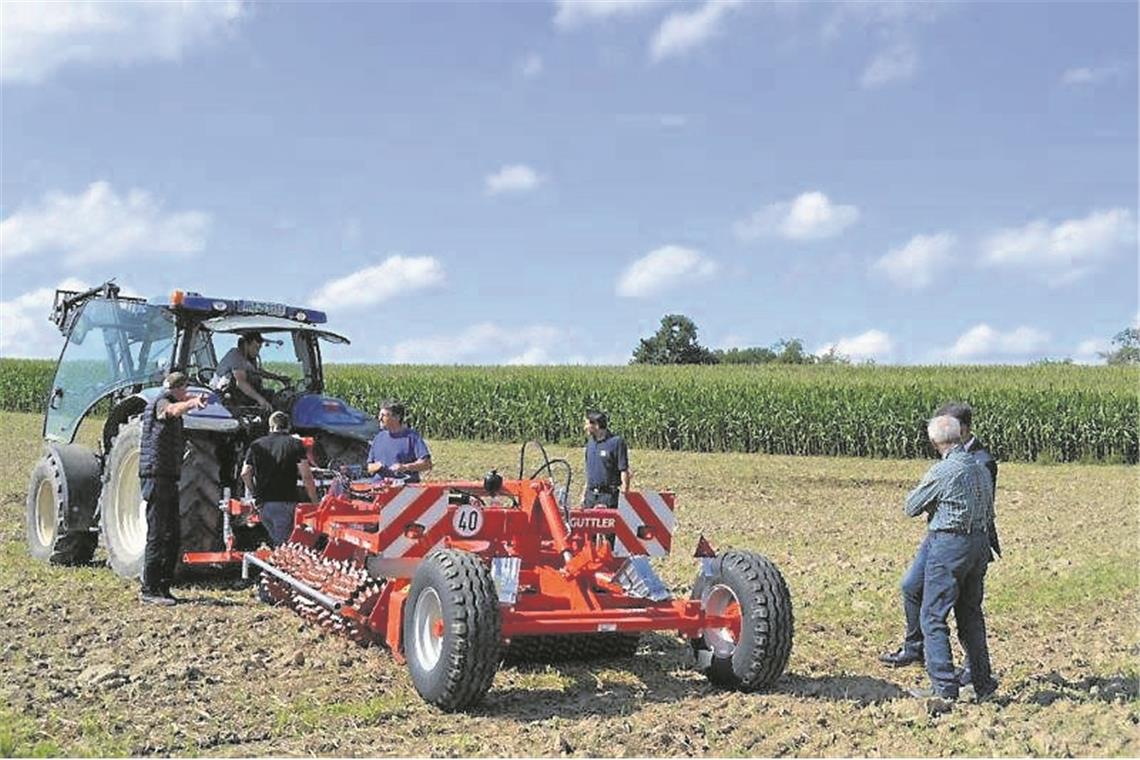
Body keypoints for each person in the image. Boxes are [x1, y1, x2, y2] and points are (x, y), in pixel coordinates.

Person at [881, 402, 1001, 687]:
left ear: (935, 441)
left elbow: (911, 506)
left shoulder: (943, 471)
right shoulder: (980, 465)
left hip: (948, 543)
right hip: (978, 543)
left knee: (933, 615)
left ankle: (944, 686)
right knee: (970, 614)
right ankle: (982, 684)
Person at [139, 371, 208, 606]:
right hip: (156, 476)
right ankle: (149, 589)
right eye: (186, 390)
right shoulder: (161, 401)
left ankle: (164, 587)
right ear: (178, 388)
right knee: (157, 534)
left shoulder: (169, 401)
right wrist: (191, 403)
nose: (187, 394)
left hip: (168, 477)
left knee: (172, 535)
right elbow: (171, 411)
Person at [241, 411, 318, 547]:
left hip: (264, 506)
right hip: (286, 504)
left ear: (271, 427)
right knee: (285, 547)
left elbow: (245, 473)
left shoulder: (256, 445)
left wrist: (254, 494)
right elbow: (306, 476)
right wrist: (315, 502)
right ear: (288, 427)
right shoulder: (295, 444)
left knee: (279, 542)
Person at [366, 401, 432, 482]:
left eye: (383, 415)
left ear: (397, 417)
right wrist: (377, 466)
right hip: (378, 488)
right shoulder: (378, 438)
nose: (379, 418)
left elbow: (426, 464)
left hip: (405, 489)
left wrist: (405, 467)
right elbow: (369, 467)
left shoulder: (412, 437)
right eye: (379, 415)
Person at [580, 411, 631, 508]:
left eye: (587, 424)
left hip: (608, 497)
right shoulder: (590, 443)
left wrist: (625, 498)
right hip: (590, 497)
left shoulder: (616, 442)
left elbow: (624, 471)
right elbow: (589, 472)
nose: (585, 427)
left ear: (596, 425)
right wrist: (583, 495)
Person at [212, 332, 271, 410]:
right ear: (246, 345)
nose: (257, 352)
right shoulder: (236, 355)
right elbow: (240, 382)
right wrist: (261, 400)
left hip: (240, 396)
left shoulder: (250, 359)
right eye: (255, 348)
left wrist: (278, 377)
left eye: (259, 348)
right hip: (223, 397)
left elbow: (257, 372)